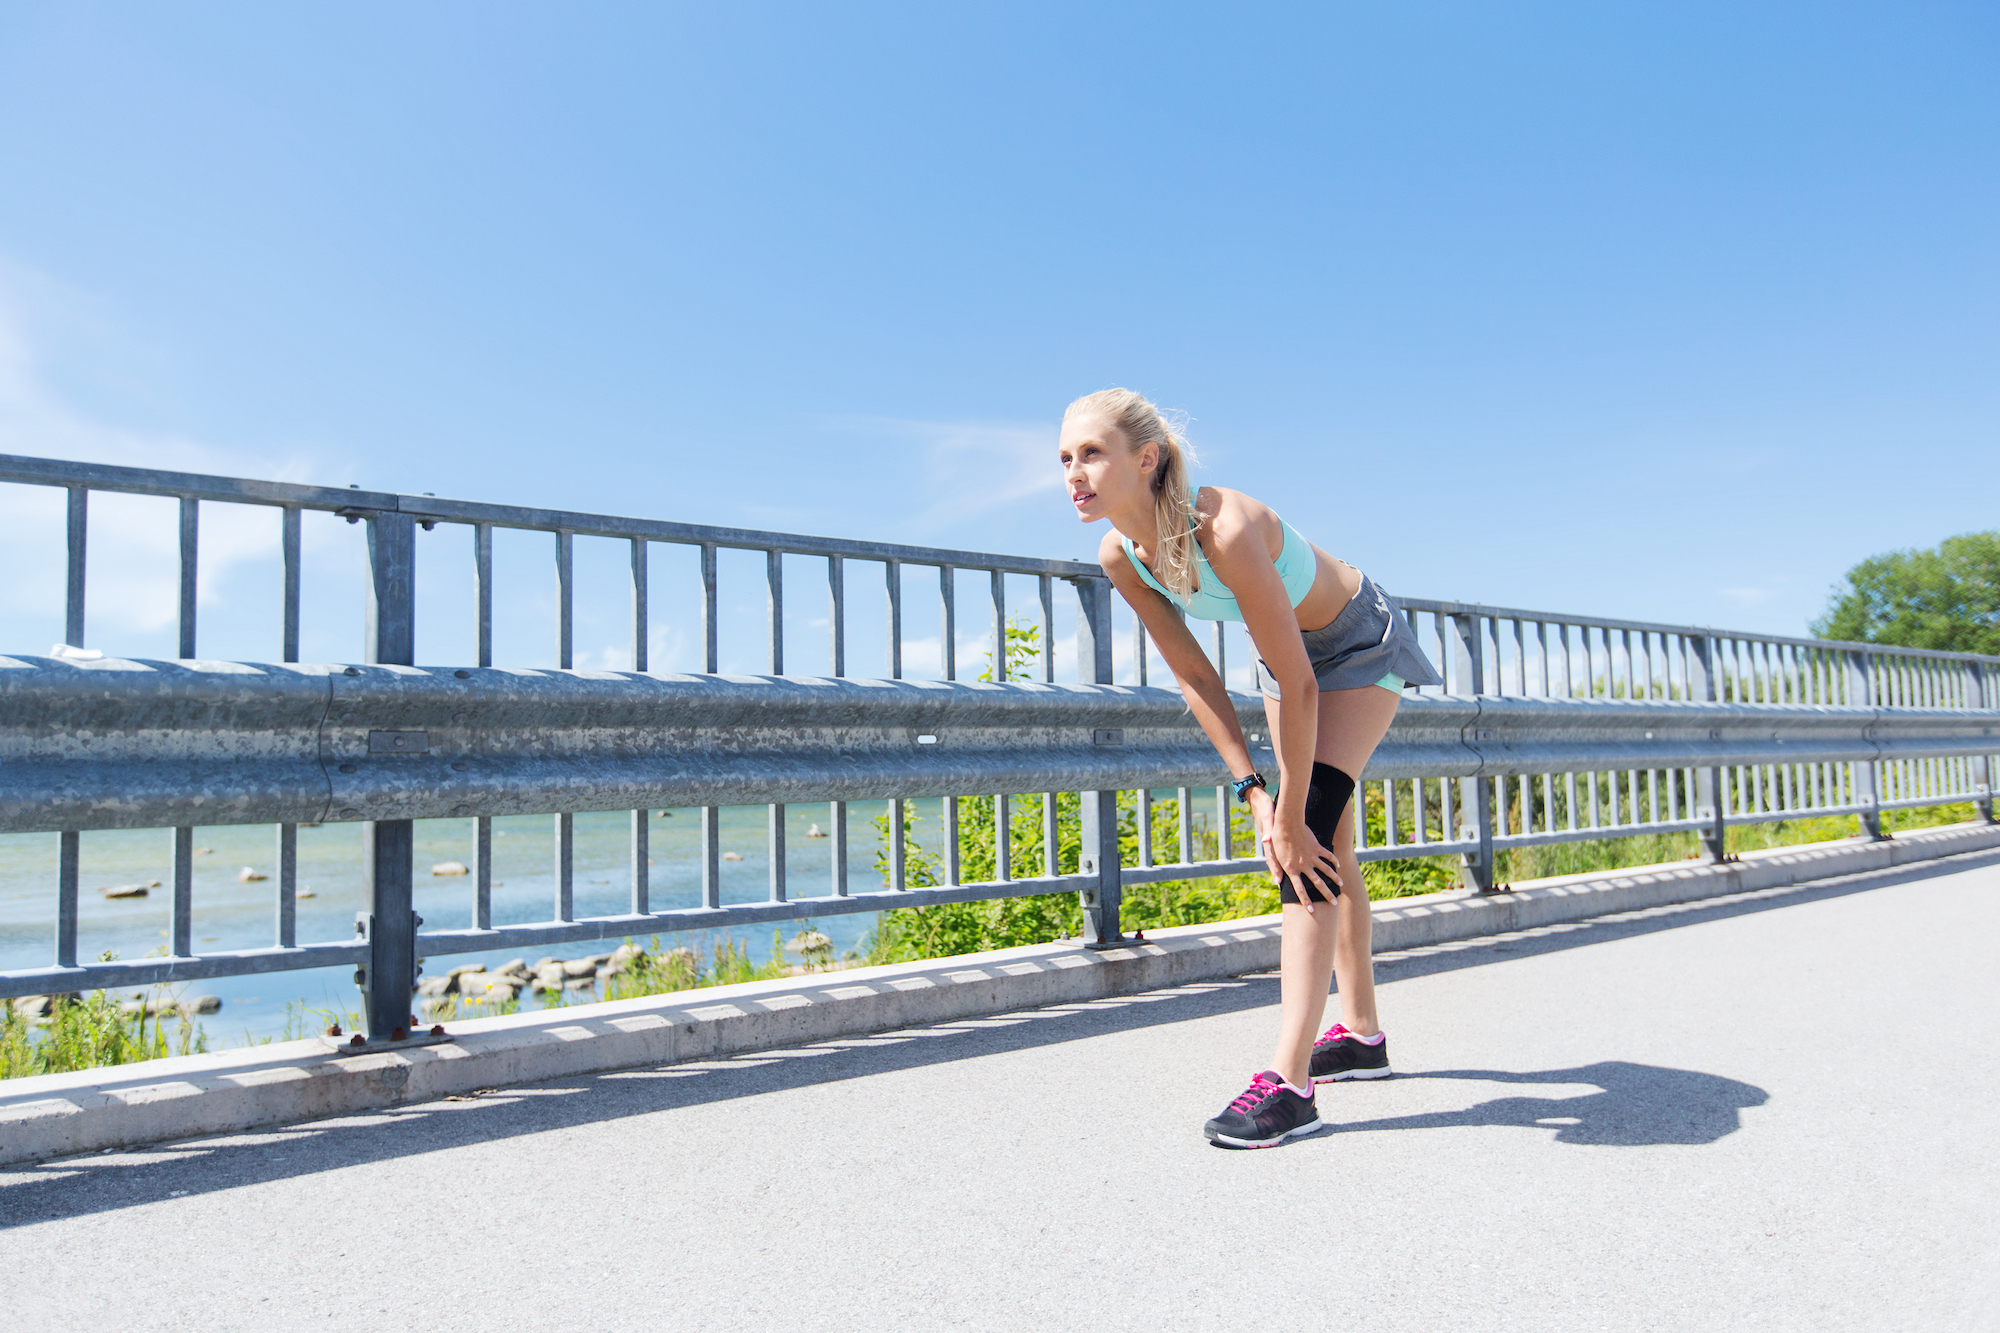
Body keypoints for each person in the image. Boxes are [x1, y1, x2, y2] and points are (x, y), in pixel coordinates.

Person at [1058, 387, 1443, 1148]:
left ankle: (1290, 1082)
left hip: (1357, 646)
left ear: (1147, 457)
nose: (1074, 471)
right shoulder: (1122, 554)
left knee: (1308, 850)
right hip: (1286, 662)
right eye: (1066, 458)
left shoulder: (1222, 528)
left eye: (1092, 453)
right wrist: (1256, 791)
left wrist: (1293, 812)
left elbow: (1304, 681)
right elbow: (1197, 678)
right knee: (1325, 843)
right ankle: (1361, 1036)